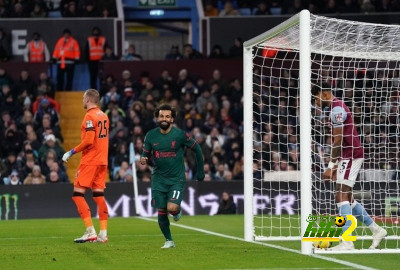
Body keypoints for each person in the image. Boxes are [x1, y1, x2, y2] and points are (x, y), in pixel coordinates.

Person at [312, 84, 387, 250]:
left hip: (351, 155)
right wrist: (337, 163)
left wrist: (331, 166)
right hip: (349, 155)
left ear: (324, 94)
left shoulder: (336, 110)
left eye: (315, 98)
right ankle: (377, 230)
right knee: (348, 198)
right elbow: (342, 139)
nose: (315, 103)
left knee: (340, 196)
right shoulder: (336, 107)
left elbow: (338, 140)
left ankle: (347, 242)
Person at [140, 104, 205, 248]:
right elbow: (145, 152)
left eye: (167, 116)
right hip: (158, 179)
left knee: (171, 207)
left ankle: (177, 209)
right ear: (157, 118)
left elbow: (197, 149)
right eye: (161, 116)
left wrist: (200, 171)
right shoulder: (150, 135)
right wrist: (143, 158)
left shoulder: (180, 135)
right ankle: (169, 240)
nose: (164, 119)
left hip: (176, 179)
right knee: (161, 210)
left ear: (172, 119)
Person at [62, 89, 109, 243]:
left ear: (88, 99)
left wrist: (71, 151)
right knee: (99, 196)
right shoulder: (103, 115)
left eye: (83, 98)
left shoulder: (89, 116)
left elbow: (89, 140)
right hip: (102, 161)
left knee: (77, 195)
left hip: (91, 161)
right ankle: (103, 233)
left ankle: (90, 231)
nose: (82, 100)